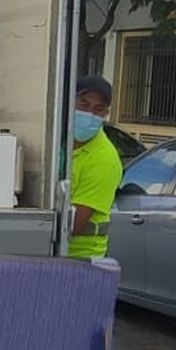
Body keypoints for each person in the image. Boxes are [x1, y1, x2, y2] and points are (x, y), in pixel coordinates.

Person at [69, 75, 122, 260]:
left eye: (98, 109)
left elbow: (74, 225)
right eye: (83, 104)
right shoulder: (58, 143)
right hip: (54, 255)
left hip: (81, 259)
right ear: (69, 102)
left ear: (106, 114)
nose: (89, 113)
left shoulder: (104, 159)